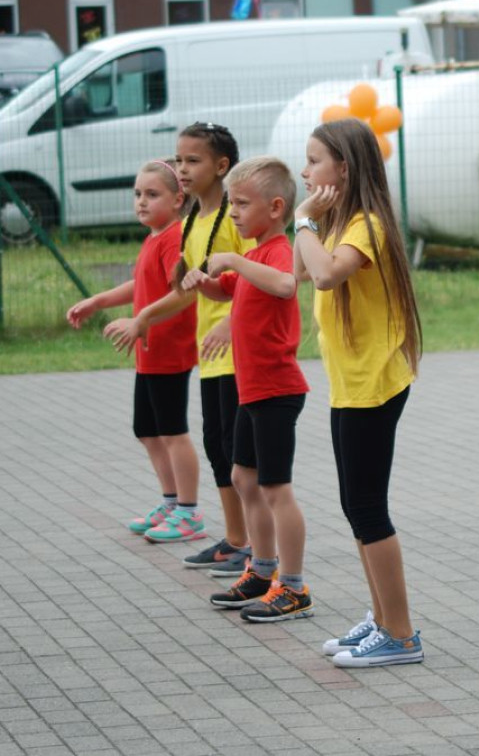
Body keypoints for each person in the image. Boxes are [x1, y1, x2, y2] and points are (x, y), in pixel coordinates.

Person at [293, 119, 424, 666]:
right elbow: (297, 274)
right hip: (350, 386)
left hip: (373, 385)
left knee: (369, 508)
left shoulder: (366, 226)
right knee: (356, 506)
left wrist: (302, 219)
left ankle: (402, 635)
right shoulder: (339, 224)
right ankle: (382, 619)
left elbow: (324, 277)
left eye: (315, 161)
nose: (306, 171)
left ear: (343, 169)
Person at [109, 124, 253, 566]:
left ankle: (253, 550)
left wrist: (148, 317)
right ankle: (234, 539)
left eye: (193, 161)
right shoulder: (193, 221)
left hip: (236, 353)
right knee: (217, 448)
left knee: (238, 455)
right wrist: (131, 308)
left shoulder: (235, 218)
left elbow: (259, 275)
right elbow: (186, 286)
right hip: (210, 357)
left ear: (221, 166)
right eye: (180, 159)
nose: (182, 168)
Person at [183, 156, 311, 622]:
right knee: (244, 478)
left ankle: (294, 587)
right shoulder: (254, 254)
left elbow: (284, 285)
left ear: (276, 207)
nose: (232, 212)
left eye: (241, 203)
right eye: (231, 203)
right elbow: (228, 290)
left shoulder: (277, 250)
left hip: (277, 389)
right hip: (251, 388)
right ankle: (262, 570)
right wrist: (205, 282)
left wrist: (232, 259)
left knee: (276, 487)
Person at [66, 160, 200, 540]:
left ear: (178, 200)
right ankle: (171, 502)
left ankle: (189, 512)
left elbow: (182, 293)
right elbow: (139, 284)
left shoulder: (174, 238)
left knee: (173, 432)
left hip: (168, 349)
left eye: (152, 194)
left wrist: (142, 320)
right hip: (149, 353)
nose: (142, 201)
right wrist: (97, 301)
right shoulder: (154, 237)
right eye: (138, 194)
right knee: (147, 429)